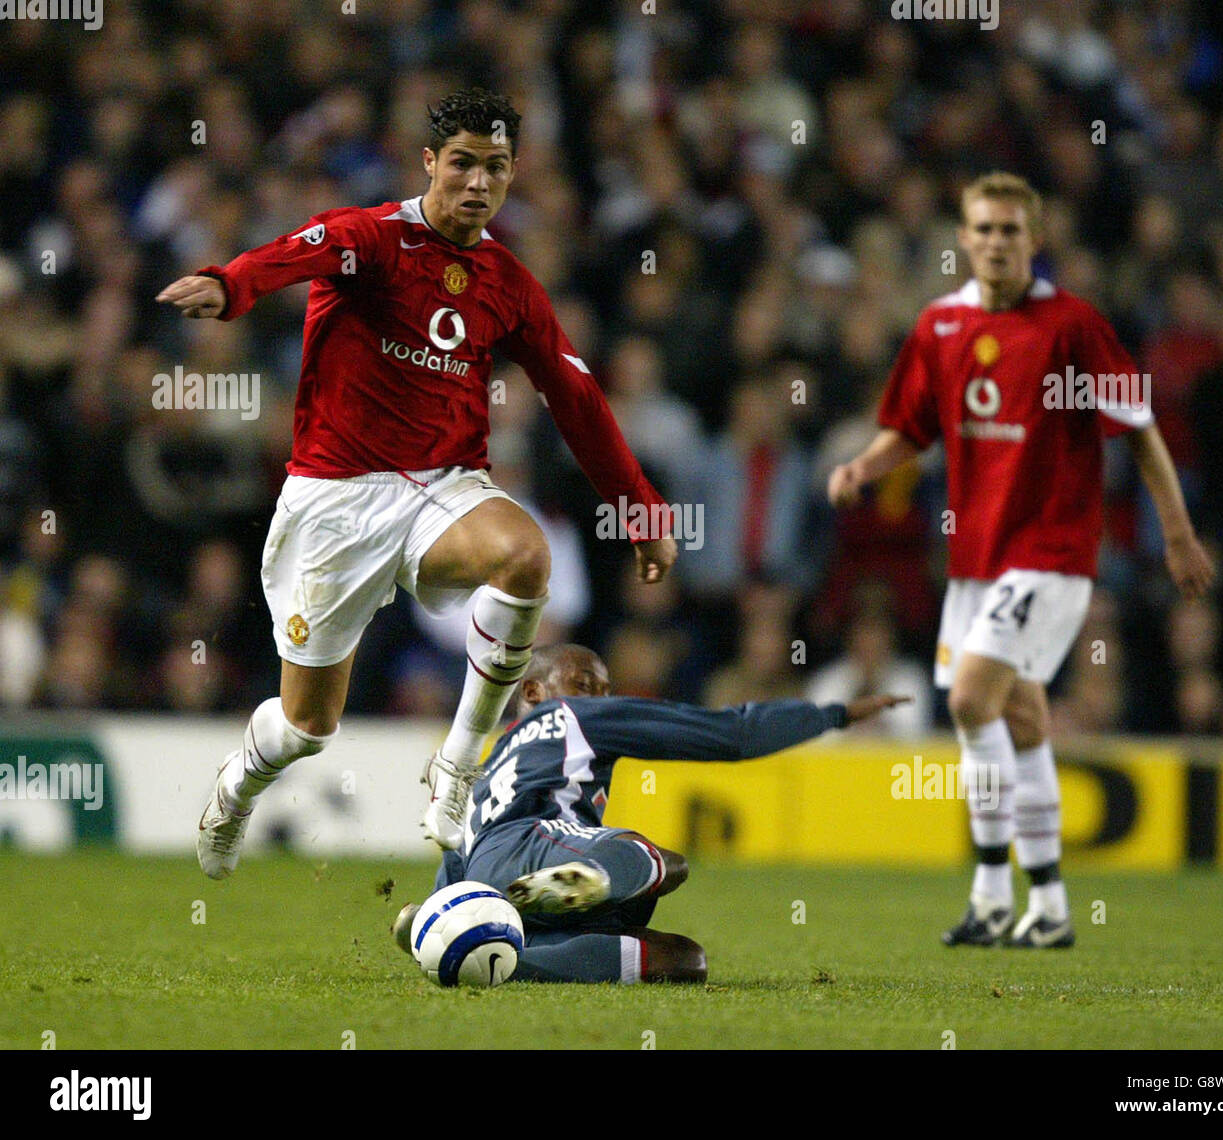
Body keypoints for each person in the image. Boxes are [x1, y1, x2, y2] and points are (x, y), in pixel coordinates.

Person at [156, 89, 677, 879]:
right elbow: (292, 252)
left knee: (526, 556)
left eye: (496, 168)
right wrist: (232, 285)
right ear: (430, 162)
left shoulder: (508, 281)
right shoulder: (373, 237)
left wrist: (638, 506)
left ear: (512, 176)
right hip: (335, 500)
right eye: (462, 162)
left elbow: (574, 395)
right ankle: (236, 788)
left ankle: (460, 765)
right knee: (307, 726)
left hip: (443, 487)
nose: (477, 182)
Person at [828, 173, 1213, 948]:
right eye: (984, 228)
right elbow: (913, 425)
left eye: (1012, 230)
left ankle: (991, 891)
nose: (997, 242)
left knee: (971, 699)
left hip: (1051, 551)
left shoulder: (1073, 327)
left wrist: (1176, 533)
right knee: (1021, 715)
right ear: (964, 238)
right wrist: (865, 468)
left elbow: (1137, 428)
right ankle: (1050, 908)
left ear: (1036, 241)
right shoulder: (939, 326)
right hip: (975, 559)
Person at [392, 643, 908, 983]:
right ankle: (576, 885)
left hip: (492, 881)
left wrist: (430, 923)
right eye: (585, 683)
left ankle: (503, 956)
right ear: (533, 692)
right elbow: (732, 734)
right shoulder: (574, 716)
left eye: (604, 688)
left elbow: (456, 866)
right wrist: (831, 713)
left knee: (684, 961)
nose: (600, 697)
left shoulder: (487, 771)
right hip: (534, 843)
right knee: (663, 863)